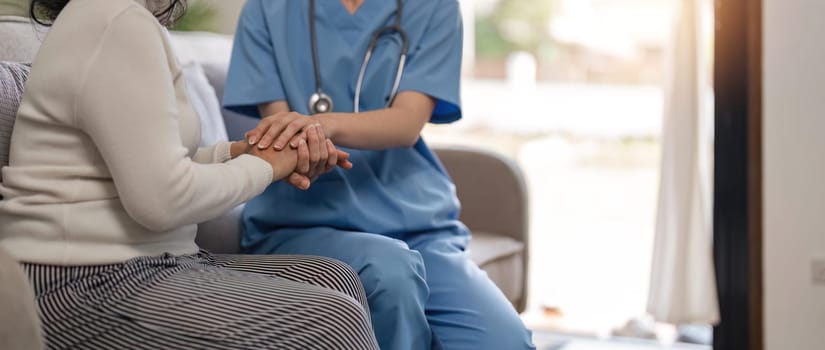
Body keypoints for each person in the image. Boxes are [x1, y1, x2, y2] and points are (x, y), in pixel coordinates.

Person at [0, 0, 380, 348]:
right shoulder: (113, 20)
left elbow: (155, 162)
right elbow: (162, 200)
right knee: (333, 319)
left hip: (149, 260)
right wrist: (267, 165)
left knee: (335, 277)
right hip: (76, 279)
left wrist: (240, 153)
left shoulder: (123, 20)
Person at [223, 1, 536, 349]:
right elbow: (280, 132)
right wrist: (303, 146)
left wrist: (321, 125)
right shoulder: (268, 9)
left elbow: (406, 123)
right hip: (299, 222)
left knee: (505, 340)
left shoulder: (433, 7)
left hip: (415, 225)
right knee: (391, 275)